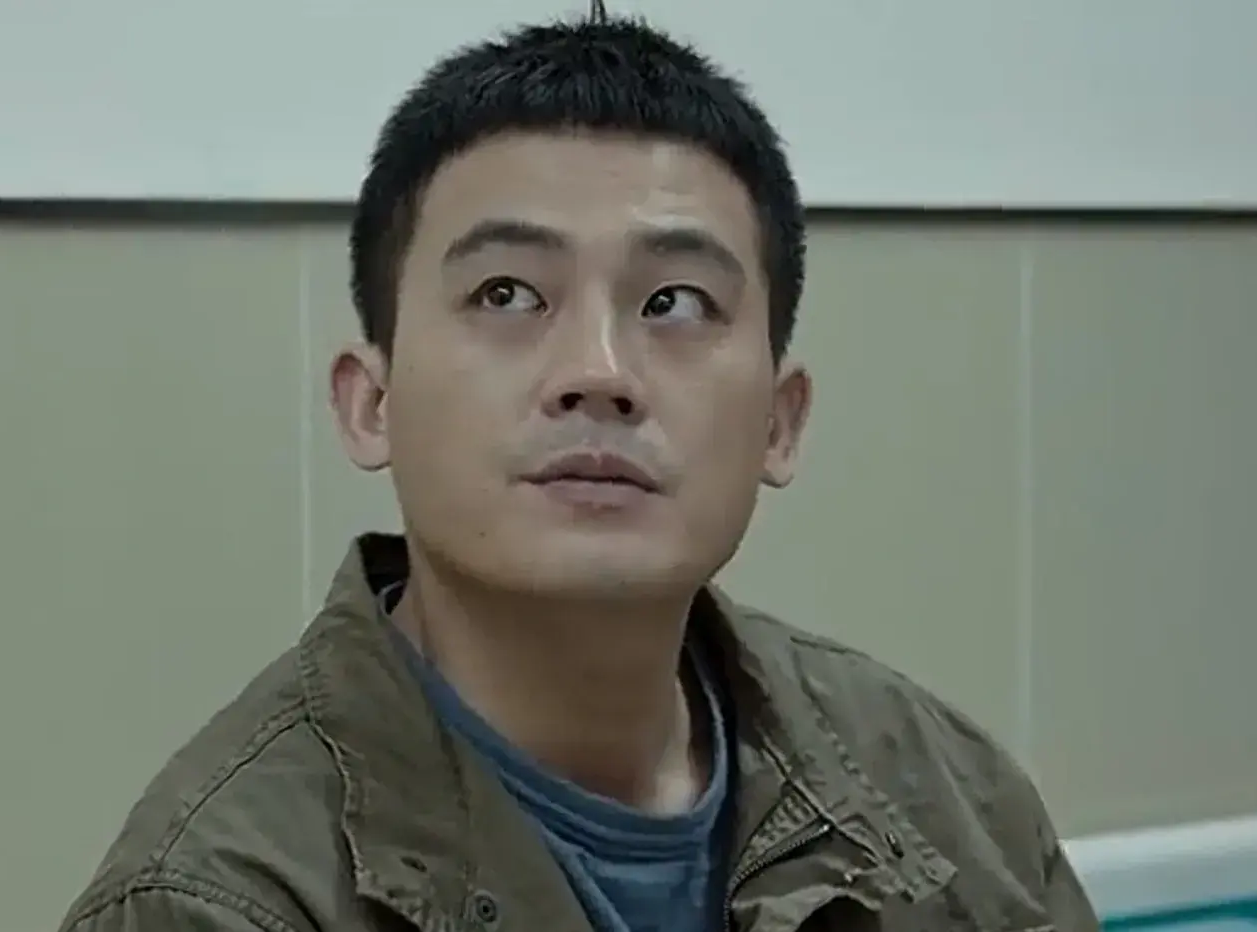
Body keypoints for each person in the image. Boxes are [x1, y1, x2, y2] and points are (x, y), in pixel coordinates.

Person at [58, 12, 1101, 932]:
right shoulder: (214, 902)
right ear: (371, 403)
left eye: (674, 303)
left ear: (779, 424)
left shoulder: (953, 803)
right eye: (507, 294)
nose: (599, 373)